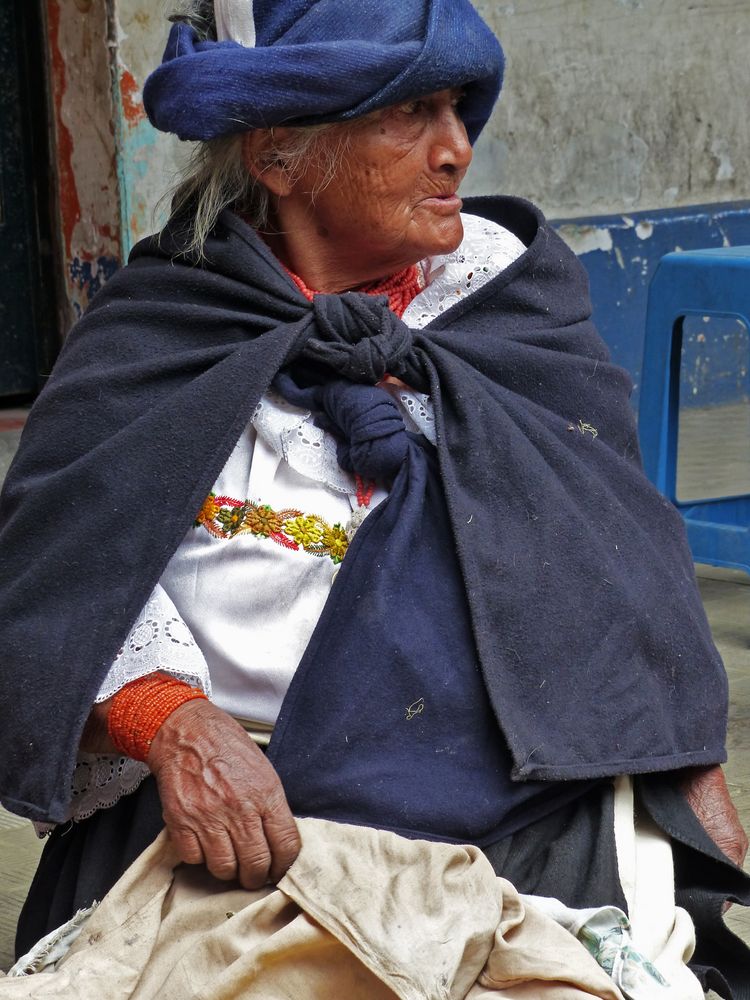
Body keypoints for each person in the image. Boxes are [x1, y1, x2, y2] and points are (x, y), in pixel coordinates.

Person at [0, 0, 748, 994]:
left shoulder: (514, 305)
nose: (456, 153)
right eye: (412, 114)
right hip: (238, 823)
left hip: (523, 813)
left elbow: (620, 544)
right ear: (278, 154)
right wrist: (167, 719)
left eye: (459, 110)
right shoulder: (158, 329)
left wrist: (685, 756)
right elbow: (49, 579)